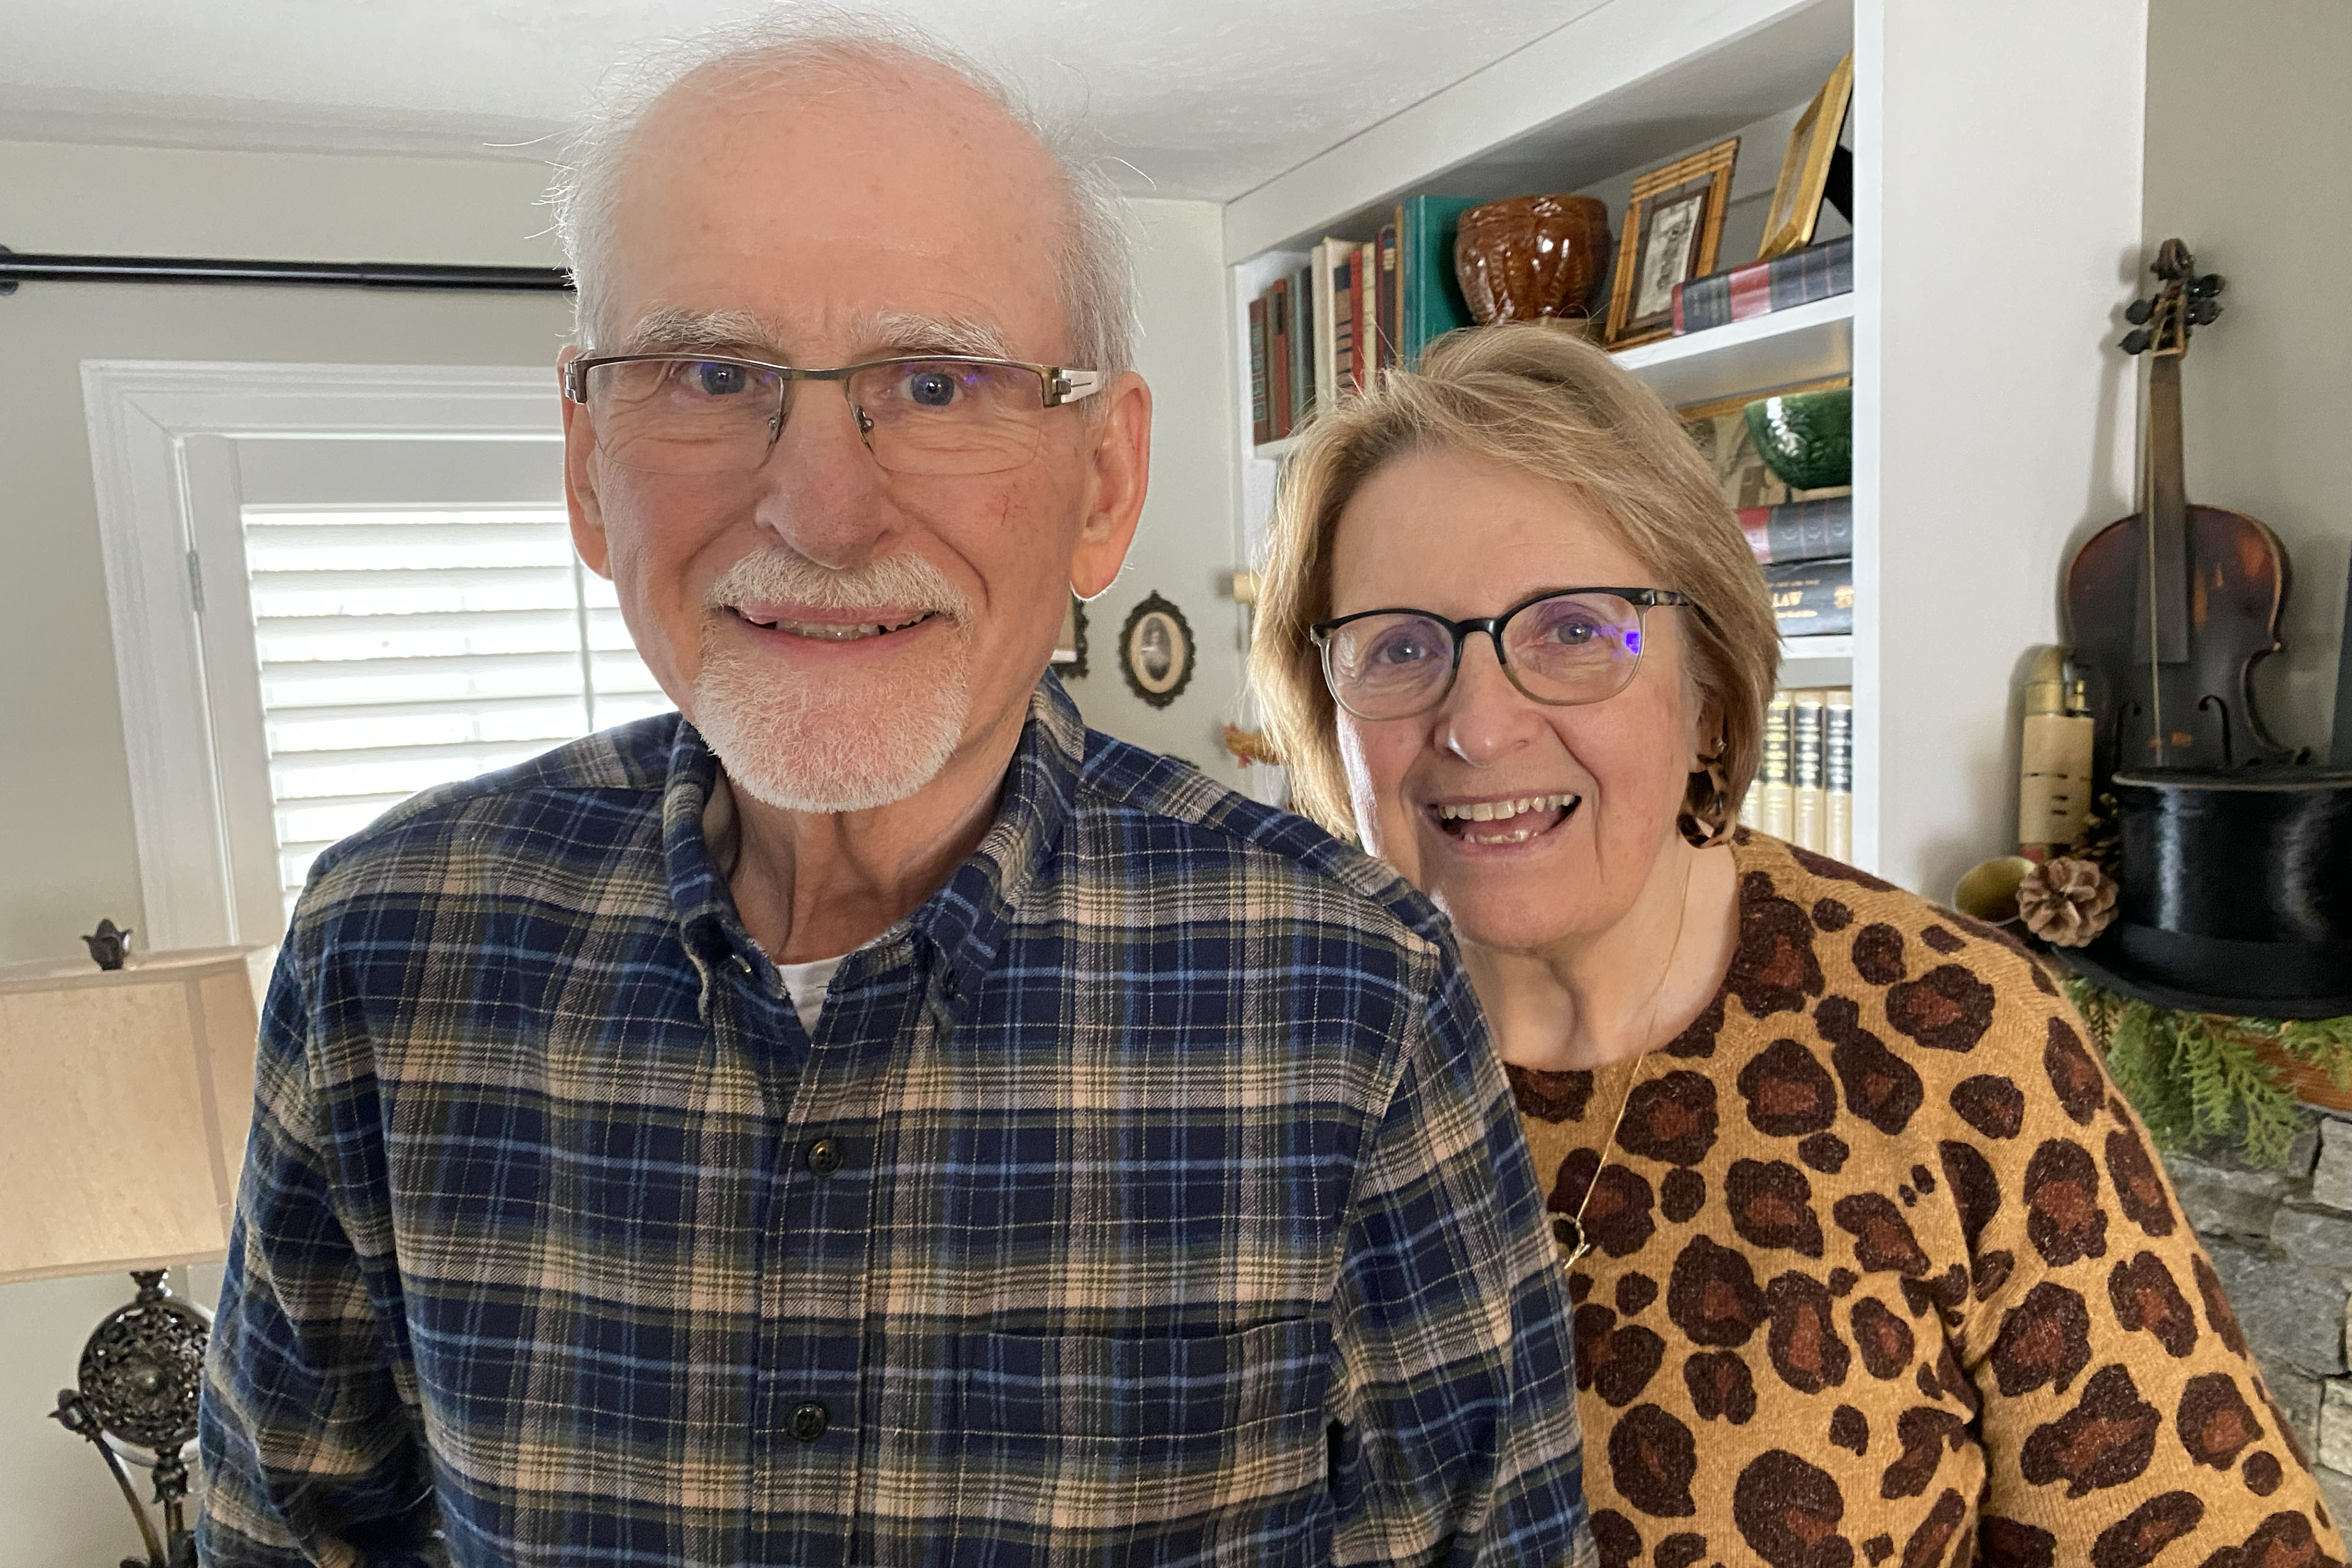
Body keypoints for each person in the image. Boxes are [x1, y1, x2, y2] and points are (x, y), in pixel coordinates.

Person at [197, 21, 1593, 1566]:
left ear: (1106, 483)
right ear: (588, 464)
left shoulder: (1351, 991)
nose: (823, 505)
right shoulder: (385, 956)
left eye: (936, 380)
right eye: (712, 373)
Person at [1250, 322, 2345, 1567]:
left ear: (1706, 683)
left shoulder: (1952, 1035)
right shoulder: (1261, 1063)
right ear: (1327, 711)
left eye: (1571, 629)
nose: (1479, 723)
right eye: (1398, 646)